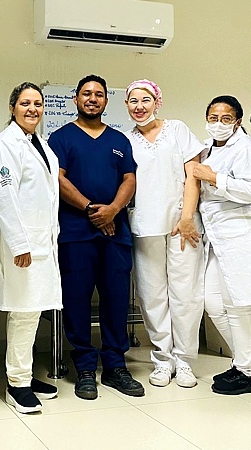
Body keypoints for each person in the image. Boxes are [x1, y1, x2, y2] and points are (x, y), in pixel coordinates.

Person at [48, 74, 144, 400]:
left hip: (116, 233)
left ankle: (115, 367)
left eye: (99, 94)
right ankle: (85, 369)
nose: (92, 98)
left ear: (106, 101)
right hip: (76, 234)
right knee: (77, 301)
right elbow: (57, 179)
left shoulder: (119, 140)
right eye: (86, 93)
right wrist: (91, 209)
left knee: (116, 301)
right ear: (75, 99)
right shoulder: (60, 138)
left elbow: (129, 179)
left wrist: (113, 210)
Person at [193, 95, 251, 395]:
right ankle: (247, 363)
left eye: (226, 119)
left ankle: (245, 370)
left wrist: (214, 178)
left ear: (238, 121)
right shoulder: (206, 147)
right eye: (213, 118)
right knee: (213, 303)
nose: (218, 123)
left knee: (238, 306)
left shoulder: (246, 148)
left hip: (240, 233)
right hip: (216, 238)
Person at [0, 82, 61, 414]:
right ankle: (16, 385)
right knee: (24, 311)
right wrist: (19, 243)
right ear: (12, 107)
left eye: (38, 104)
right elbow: (4, 197)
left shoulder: (38, 142)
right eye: (26, 103)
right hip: (22, 243)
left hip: (40, 240)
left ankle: (25, 376)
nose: (33, 109)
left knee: (32, 310)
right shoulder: (5, 145)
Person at [123, 79, 205, 388]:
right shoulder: (125, 140)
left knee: (185, 294)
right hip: (145, 225)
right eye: (133, 101)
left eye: (145, 100)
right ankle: (162, 359)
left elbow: (193, 175)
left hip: (182, 225)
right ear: (126, 105)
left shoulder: (177, 130)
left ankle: (184, 361)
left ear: (157, 102)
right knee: (151, 294)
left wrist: (187, 217)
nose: (139, 106)